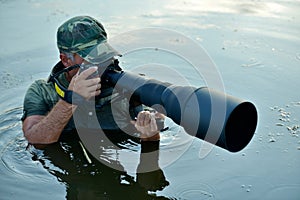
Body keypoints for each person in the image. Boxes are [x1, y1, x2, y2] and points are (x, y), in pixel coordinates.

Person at [21, 15, 162, 144]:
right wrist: (70, 99)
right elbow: (36, 140)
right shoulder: (42, 91)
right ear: (65, 60)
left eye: (103, 54)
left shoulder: (130, 87)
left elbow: (154, 133)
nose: (100, 63)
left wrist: (151, 136)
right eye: (90, 58)